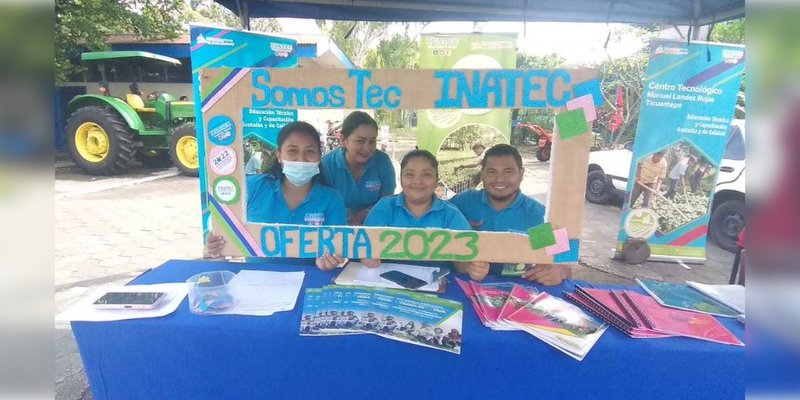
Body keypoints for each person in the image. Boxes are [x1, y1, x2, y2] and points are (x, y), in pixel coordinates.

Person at [204, 121, 347, 271]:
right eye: (292, 151)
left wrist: (329, 261)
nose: (301, 159)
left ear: (319, 156)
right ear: (279, 155)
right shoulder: (251, 187)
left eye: (310, 151)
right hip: (256, 279)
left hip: (310, 278)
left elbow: (336, 247)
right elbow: (222, 225)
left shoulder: (332, 200)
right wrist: (216, 245)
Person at [449, 144, 570, 286]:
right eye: (492, 171)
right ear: (482, 174)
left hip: (519, 291)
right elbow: (430, 221)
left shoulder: (537, 215)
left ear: (521, 174)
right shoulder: (464, 202)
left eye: (508, 171)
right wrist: (457, 225)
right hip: (465, 288)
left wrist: (557, 271)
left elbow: (565, 262)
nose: (499, 179)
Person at [361, 150, 476, 275]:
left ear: (437, 180)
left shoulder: (451, 215)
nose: (417, 181)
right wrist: (367, 257)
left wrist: (471, 268)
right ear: (401, 179)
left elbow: (464, 259)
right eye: (410, 174)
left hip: (437, 286)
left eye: (426, 175)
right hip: (388, 283)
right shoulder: (385, 207)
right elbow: (364, 246)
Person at [321, 111, 396, 225]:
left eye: (372, 141)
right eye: (360, 141)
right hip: (336, 227)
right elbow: (321, 203)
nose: (367, 148)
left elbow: (388, 200)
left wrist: (365, 214)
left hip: (375, 225)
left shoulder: (383, 161)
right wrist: (348, 218)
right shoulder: (327, 165)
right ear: (343, 140)